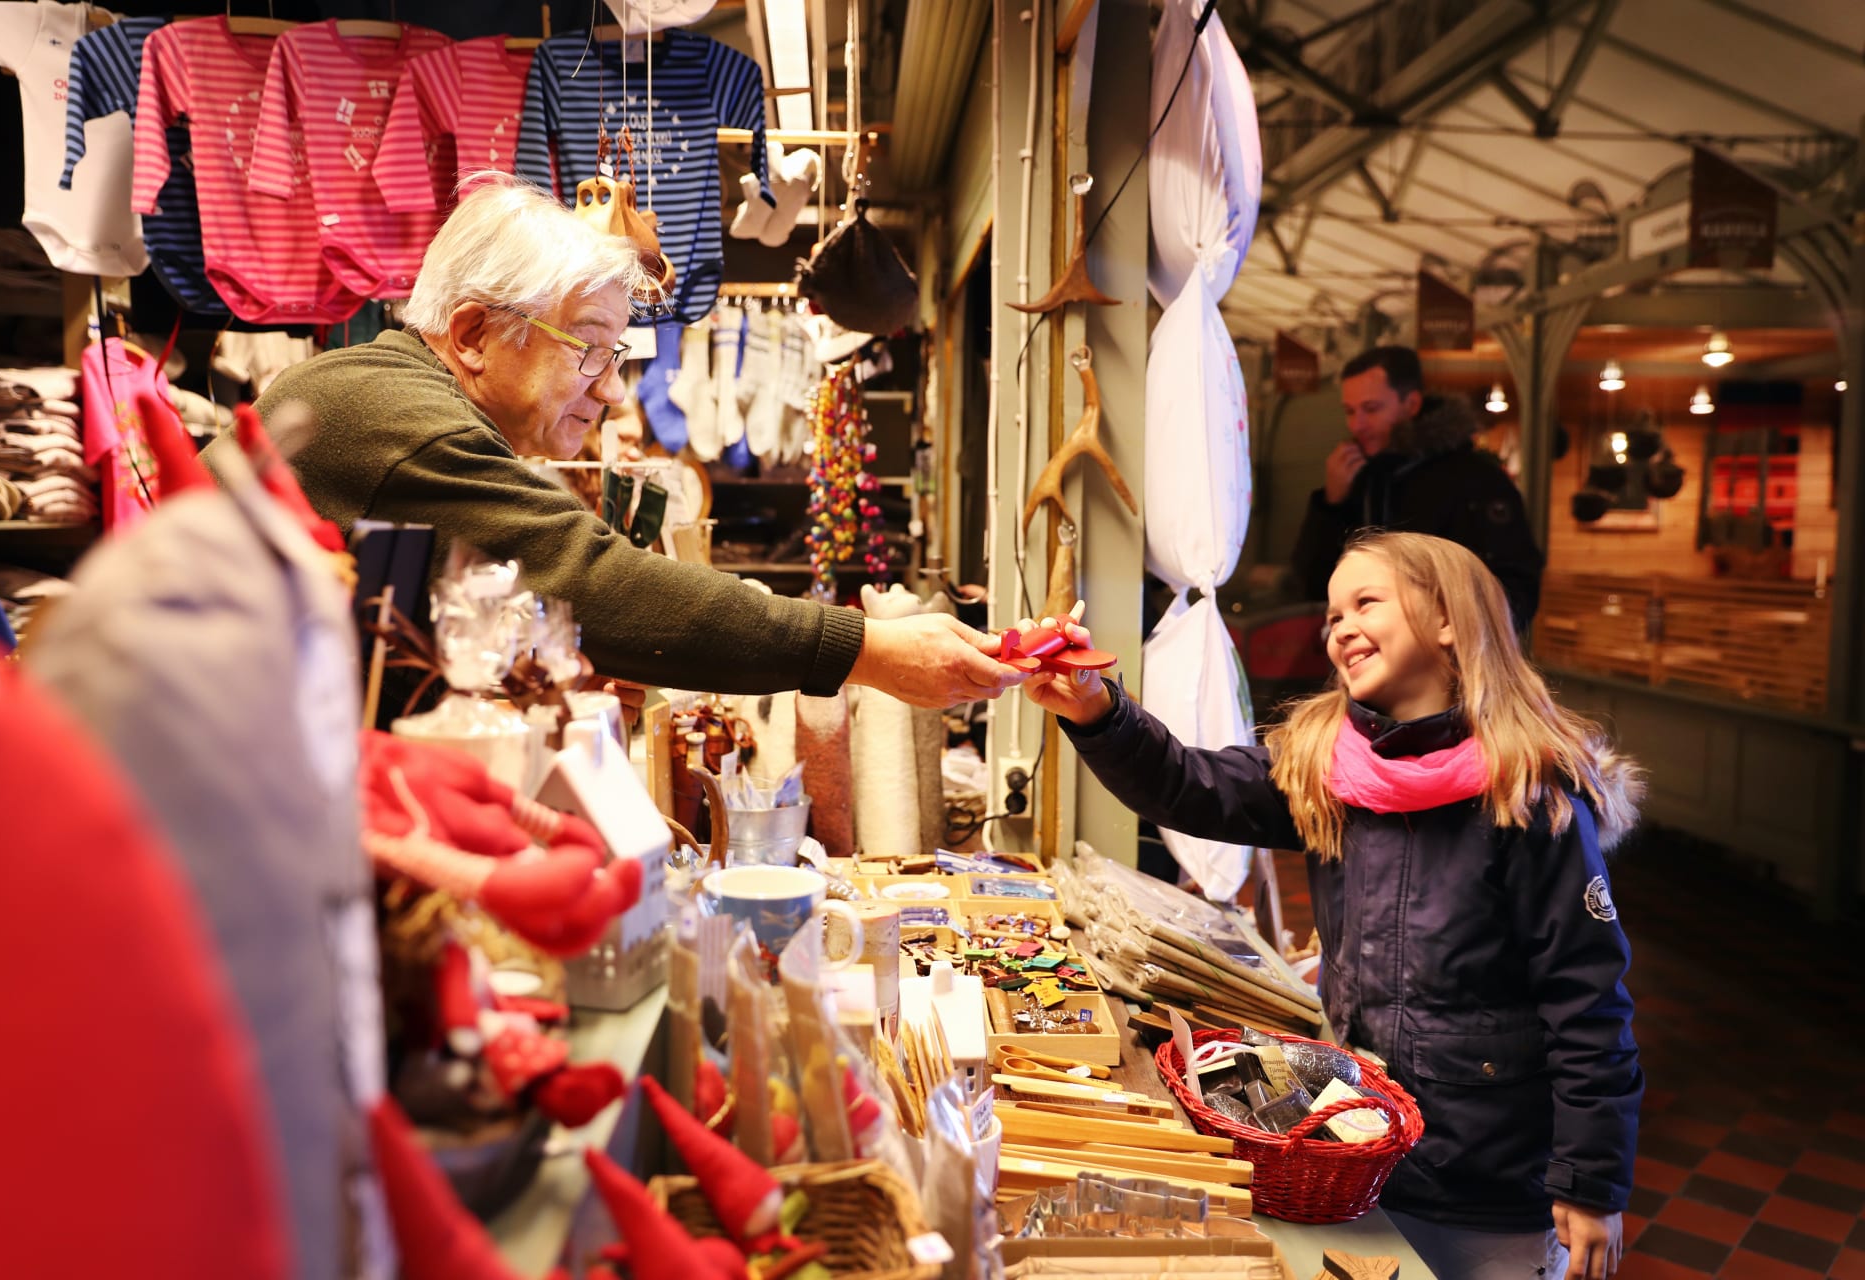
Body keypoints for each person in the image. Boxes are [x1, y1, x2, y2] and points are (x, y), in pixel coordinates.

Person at [1028, 532, 1643, 1280]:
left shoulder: (1527, 797)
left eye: (1366, 602)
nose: (1340, 626)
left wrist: (1589, 1184)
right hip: (1360, 1154)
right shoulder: (1327, 765)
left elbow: (1587, 1006)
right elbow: (1187, 784)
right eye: (1331, 615)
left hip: (1490, 1187)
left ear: (1448, 619)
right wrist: (1098, 709)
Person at [243, 172, 1022, 708]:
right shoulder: (395, 414)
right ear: (475, 332)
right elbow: (593, 579)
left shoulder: (379, 390)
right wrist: (867, 651)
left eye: (615, 358)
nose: (612, 390)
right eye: (587, 348)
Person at [1292, 346, 1543, 630]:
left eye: (1371, 409)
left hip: (1450, 665)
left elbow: (1516, 590)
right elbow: (1312, 585)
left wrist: (1447, 641)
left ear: (1411, 404)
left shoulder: (1475, 478)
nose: (1357, 424)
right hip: (1371, 659)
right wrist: (1330, 503)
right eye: (1350, 411)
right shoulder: (1359, 476)